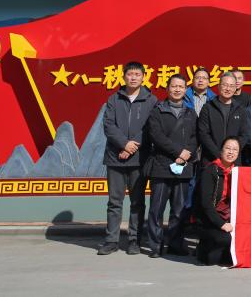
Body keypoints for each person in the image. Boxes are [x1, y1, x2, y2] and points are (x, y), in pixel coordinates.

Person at [98, 61, 158, 256]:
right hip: (115, 157)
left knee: (137, 202)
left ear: (143, 77)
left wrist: (132, 147)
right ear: (123, 76)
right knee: (114, 202)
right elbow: (108, 125)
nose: (133, 78)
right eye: (130, 74)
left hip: (139, 159)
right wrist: (124, 144)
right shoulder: (114, 99)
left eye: (137, 74)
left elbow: (151, 128)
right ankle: (111, 240)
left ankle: (134, 240)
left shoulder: (151, 100)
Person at [144, 74, 198, 257]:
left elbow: (195, 138)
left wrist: (187, 154)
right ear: (167, 89)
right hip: (162, 166)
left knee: (179, 210)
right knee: (156, 209)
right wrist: (178, 153)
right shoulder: (157, 111)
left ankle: (175, 244)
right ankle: (156, 246)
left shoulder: (191, 113)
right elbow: (157, 136)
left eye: (181, 87)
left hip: (183, 168)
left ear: (185, 90)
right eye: (174, 86)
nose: (177, 89)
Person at [195, 138, 239, 266]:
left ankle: (224, 253)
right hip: (208, 219)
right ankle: (203, 249)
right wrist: (222, 224)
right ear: (221, 151)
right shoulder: (210, 171)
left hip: (228, 217)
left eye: (235, 149)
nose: (231, 152)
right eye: (228, 148)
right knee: (223, 243)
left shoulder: (238, 172)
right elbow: (206, 204)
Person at [197, 73, 251, 165]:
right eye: (225, 85)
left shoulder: (241, 110)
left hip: (233, 160)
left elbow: (244, 134)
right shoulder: (208, 108)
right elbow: (203, 134)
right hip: (211, 160)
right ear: (218, 86)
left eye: (231, 86)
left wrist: (232, 152)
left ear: (235, 88)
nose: (228, 89)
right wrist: (219, 154)